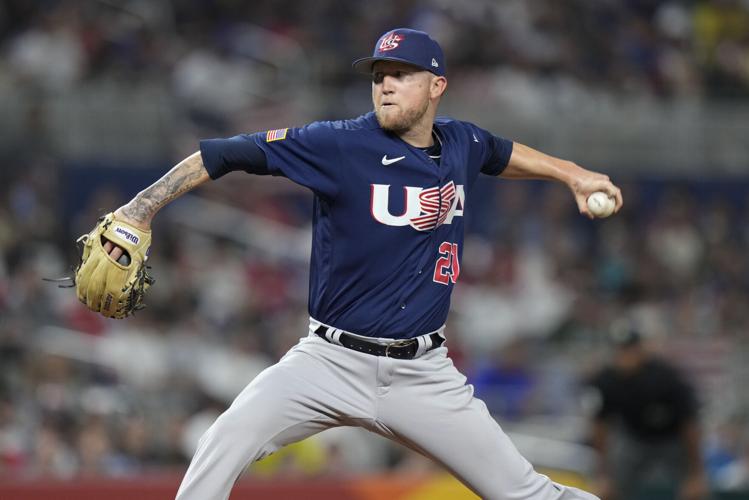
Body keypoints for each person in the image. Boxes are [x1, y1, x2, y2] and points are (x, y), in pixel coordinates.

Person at [102, 28, 622, 500]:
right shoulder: (339, 143)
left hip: (423, 374)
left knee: (526, 493)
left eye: (400, 74)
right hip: (328, 361)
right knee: (223, 443)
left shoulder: (463, 141)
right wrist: (139, 208)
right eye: (378, 76)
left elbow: (503, 153)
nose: (385, 85)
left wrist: (573, 175)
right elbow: (225, 154)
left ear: (436, 86)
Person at [587, 325, 709, 500]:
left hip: (672, 439)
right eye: (620, 350)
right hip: (634, 439)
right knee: (605, 490)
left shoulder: (665, 377)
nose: (625, 356)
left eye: (629, 349)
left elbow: (689, 425)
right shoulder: (606, 380)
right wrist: (603, 475)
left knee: (695, 491)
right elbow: (599, 428)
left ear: (640, 349)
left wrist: (697, 473)